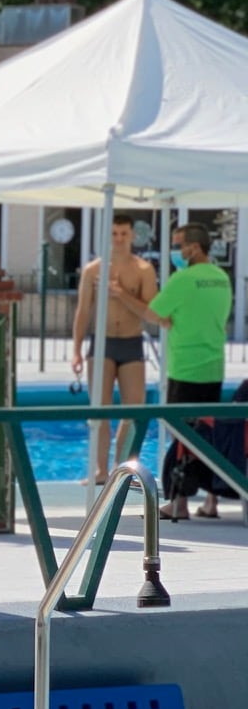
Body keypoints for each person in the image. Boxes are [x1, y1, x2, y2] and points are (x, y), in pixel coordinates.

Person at [116, 222, 235, 519]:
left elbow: (152, 313)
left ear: (194, 248)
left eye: (179, 245)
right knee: (208, 434)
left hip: (185, 367)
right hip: (214, 365)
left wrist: (120, 295)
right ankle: (211, 500)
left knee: (182, 437)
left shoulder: (184, 279)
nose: (176, 251)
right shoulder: (222, 278)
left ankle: (178, 503)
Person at [71, 213, 157, 483]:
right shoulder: (93, 270)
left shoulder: (144, 270)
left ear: (132, 236)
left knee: (134, 410)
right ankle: (100, 470)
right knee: (100, 410)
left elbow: (151, 312)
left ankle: (123, 467)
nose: (119, 239)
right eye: (114, 234)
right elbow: (83, 311)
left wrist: (121, 294)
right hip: (102, 342)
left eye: (124, 234)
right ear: (107, 236)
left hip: (132, 342)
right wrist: (76, 349)